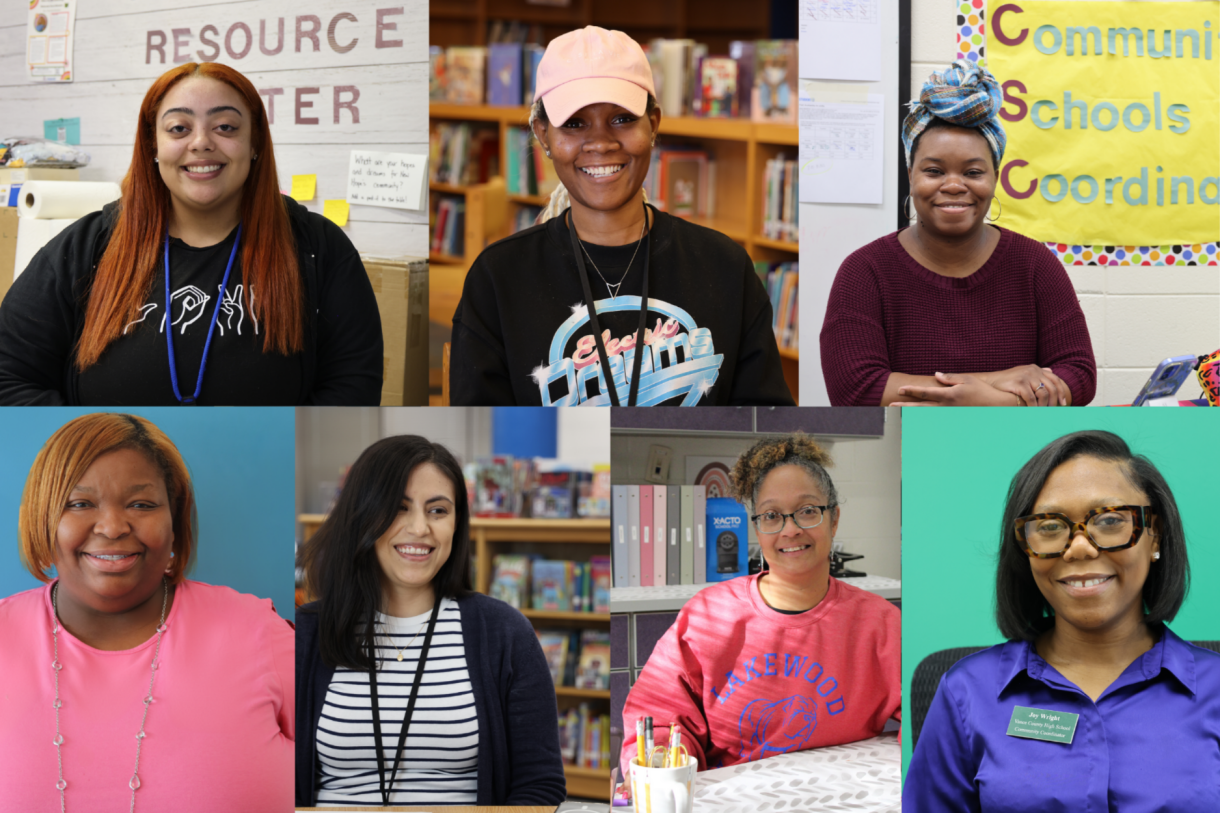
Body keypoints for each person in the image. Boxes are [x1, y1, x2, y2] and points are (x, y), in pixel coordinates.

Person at [0, 62, 382, 405]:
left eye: (226, 127)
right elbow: (9, 376)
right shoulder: (85, 248)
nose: (201, 142)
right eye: (179, 128)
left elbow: (352, 387)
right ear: (153, 144)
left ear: (255, 144)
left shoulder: (319, 248)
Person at [449, 26, 793, 406]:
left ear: (654, 125)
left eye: (622, 119)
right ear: (543, 135)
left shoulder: (725, 267)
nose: (600, 142)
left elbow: (765, 416)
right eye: (575, 123)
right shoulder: (498, 278)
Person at [905, 430, 1219, 811]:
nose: (1080, 547)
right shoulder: (966, 691)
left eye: (1109, 520)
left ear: (1155, 536)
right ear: (1025, 549)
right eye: (1050, 527)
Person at [0, 413, 294, 811]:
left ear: (174, 525)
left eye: (141, 504)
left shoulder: (259, 632)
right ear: (43, 519)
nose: (112, 527)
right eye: (80, 503)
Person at [295, 435, 566, 806]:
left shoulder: (505, 632)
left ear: (457, 523)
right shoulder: (306, 634)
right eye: (399, 508)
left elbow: (540, 785)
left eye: (438, 511)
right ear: (362, 515)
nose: (420, 528)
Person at [819, 60, 1096, 407]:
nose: (953, 185)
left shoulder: (1035, 264)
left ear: (994, 177)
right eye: (934, 170)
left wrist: (997, 404)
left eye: (973, 172)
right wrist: (993, 384)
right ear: (910, 174)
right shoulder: (864, 272)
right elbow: (855, 390)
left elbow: (1079, 375)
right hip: (908, 456)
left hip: (1023, 456)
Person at [620, 434, 900, 774]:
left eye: (808, 511)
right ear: (756, 528)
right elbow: (659, 720)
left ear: (834, 518)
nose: (791, 529)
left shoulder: (881, 623)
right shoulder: (708, 617)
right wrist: (659, 767)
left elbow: (929, 715)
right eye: (771, 516)